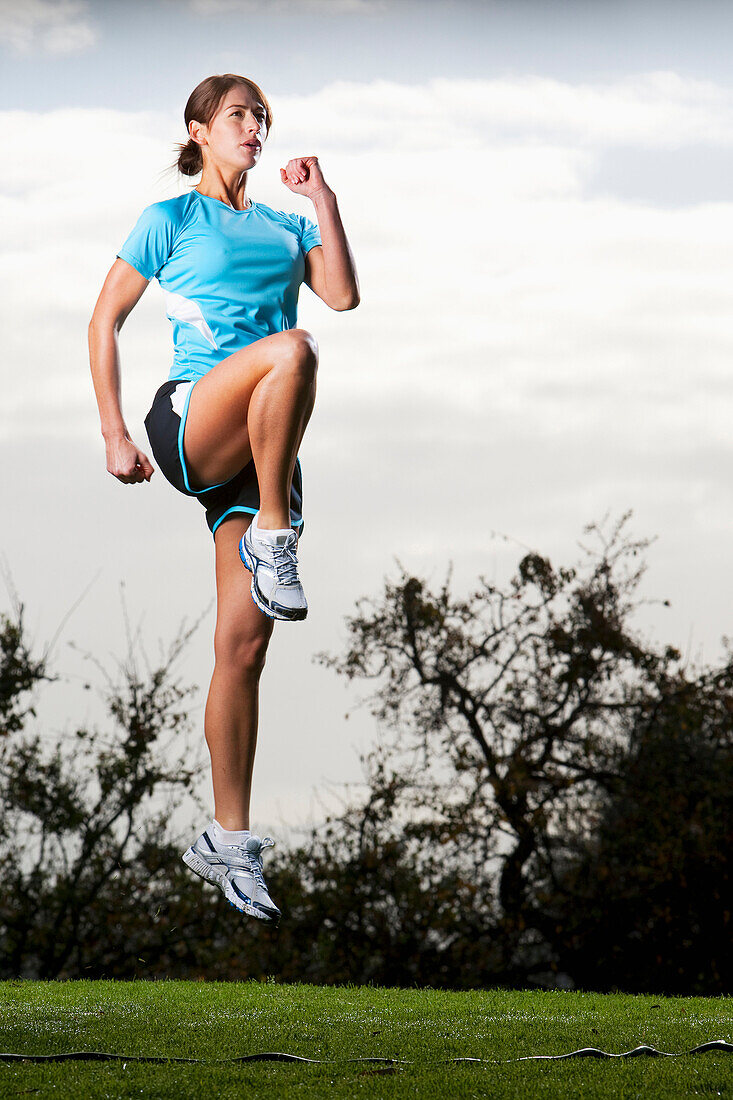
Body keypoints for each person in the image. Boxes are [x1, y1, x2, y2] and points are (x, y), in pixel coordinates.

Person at [88, 74, 359, 927]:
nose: (256, 126)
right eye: (240, 114)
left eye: (262, 117)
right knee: (293, 350)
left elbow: (344, 292)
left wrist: (325, 201)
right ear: (200, 129)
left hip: (261, 454)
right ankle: (273, 536)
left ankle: (228, 842)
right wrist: (113, 434)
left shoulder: (283, 224)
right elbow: (104, 322)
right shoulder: (169, 219)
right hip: (192, 414)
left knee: (243, 651)